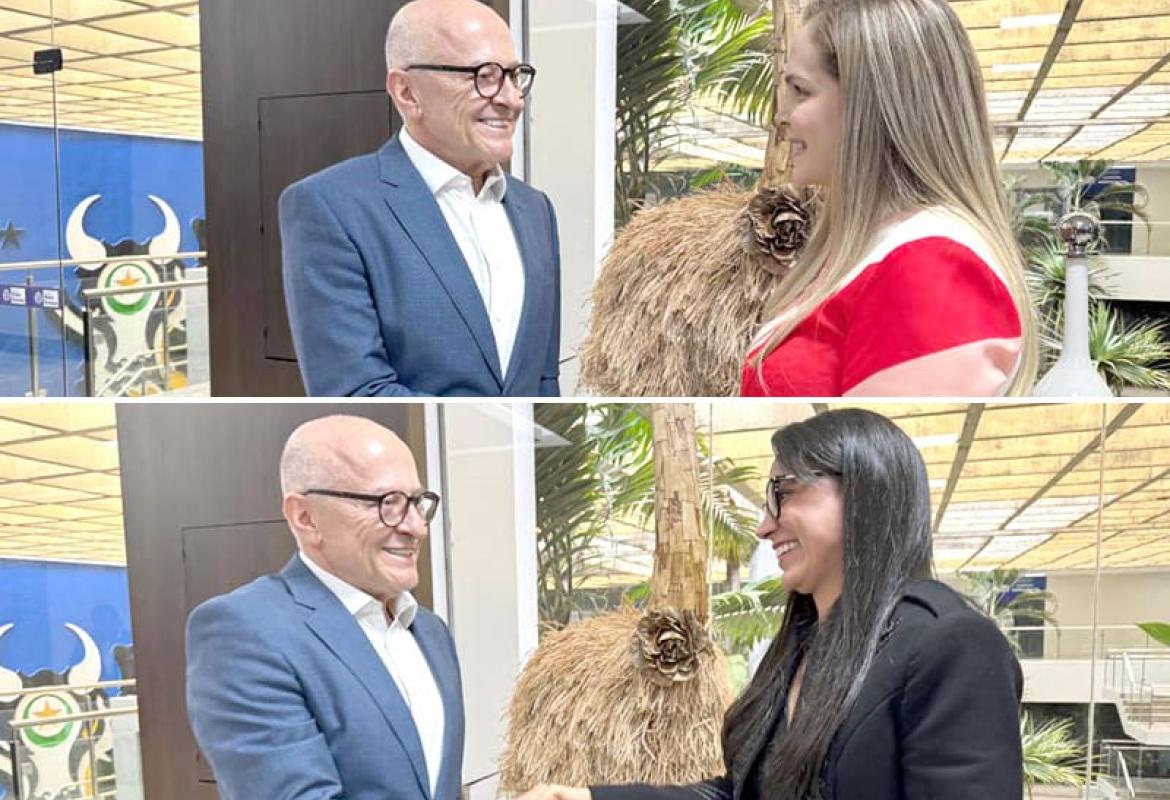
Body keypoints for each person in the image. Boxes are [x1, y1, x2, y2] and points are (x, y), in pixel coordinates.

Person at [522, 408, 1023, 800]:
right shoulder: (803, 643)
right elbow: (743, 793)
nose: (765, 526)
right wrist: (590, 798)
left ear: (864, 491)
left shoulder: (951, 646)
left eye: (783, 492)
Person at [741, 0, 1037, 397]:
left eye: (800, 90)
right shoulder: (876, 250)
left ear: (871, 103)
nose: (780, 115)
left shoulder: (931, 266)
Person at [281, 0, 561, 397]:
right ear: (407, 92)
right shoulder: (331, 207)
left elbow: (544, 380)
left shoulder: (536, 210)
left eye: (515, 76)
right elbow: (357, 391)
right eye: (484, 76)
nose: (512, 98)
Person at [186, 415, 464, 800]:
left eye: (417, 502)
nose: (416, 527)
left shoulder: (431, 633)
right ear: (305, 517)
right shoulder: (244, 632)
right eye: (388, 503)